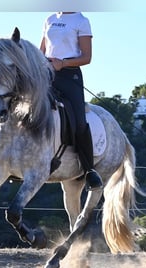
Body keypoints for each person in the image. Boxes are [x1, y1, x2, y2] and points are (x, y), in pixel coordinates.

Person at [40, 12, 103, 190]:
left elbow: (86, 57)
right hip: (46, 75)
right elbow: (41, 51)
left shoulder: (81, 21)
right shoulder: (50, 19)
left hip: (69, 76)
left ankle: (89, 170)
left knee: (79, 121)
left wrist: (63, 63)